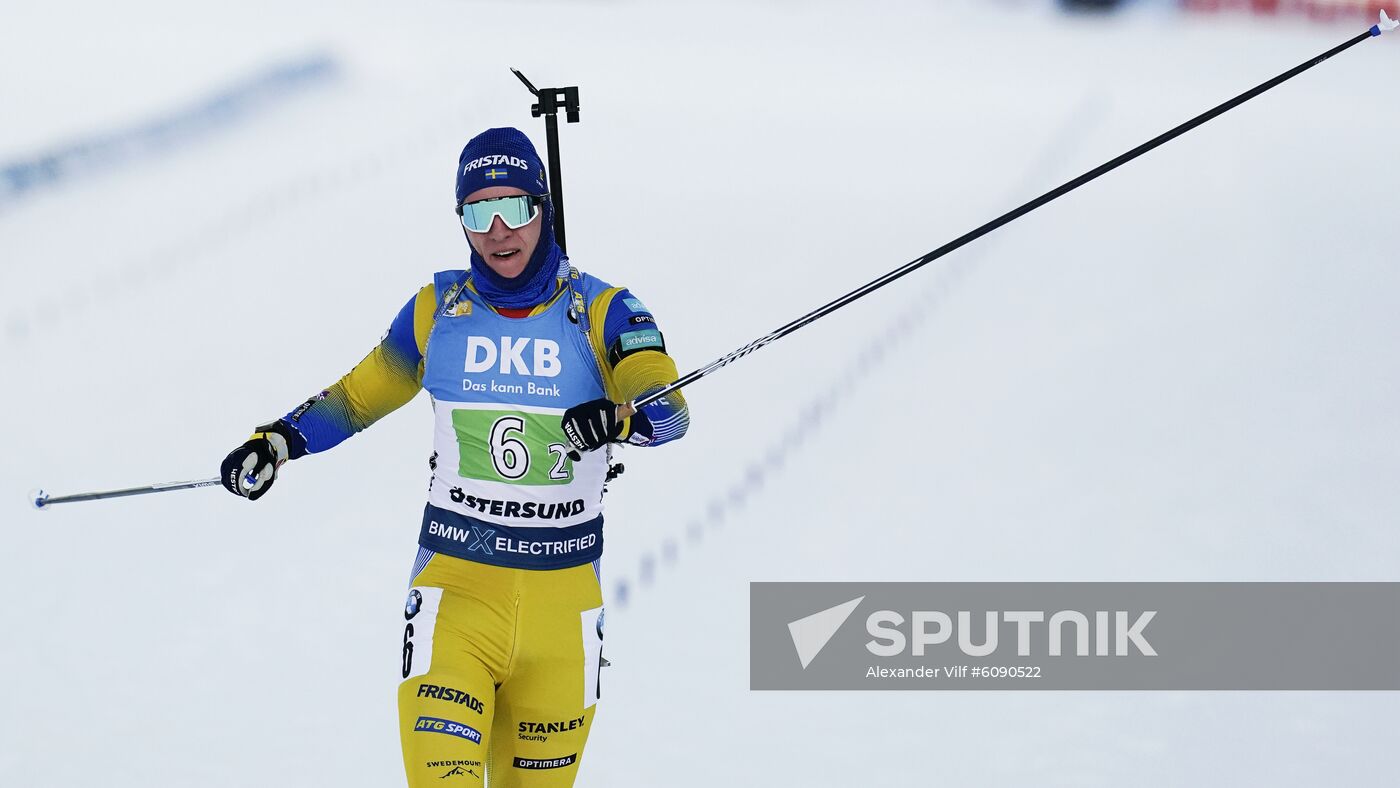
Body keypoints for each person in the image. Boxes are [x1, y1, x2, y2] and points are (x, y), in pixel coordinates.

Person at [219, 127, 690, 787]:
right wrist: (278, 440)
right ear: (461, 221)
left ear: (543, 207)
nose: (499, 231)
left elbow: (668, 412)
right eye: (478, 212)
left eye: (516, 208)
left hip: (563, 616)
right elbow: (356, 399)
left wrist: (622, 417)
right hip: (456, 600)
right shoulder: (437, 311)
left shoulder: (605, 311)